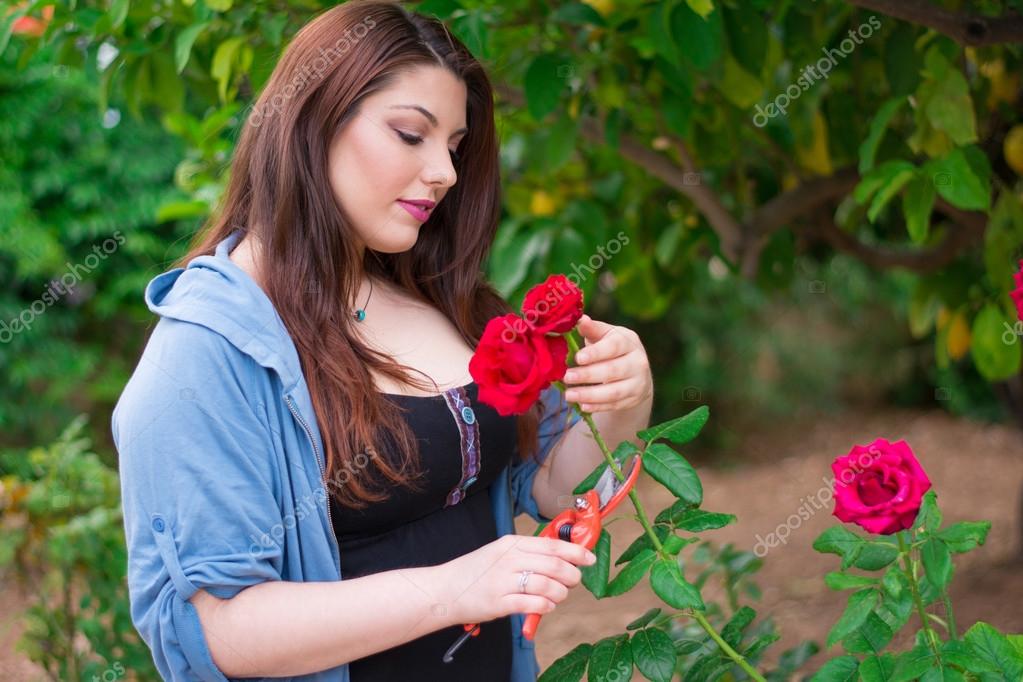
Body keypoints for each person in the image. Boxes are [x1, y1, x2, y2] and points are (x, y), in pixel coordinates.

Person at [112, 1, 653, 680]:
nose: (446, 173)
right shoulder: (205, 353)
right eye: (409, 135)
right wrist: (451, 589)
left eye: (453, 146)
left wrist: (622, 401)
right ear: (312, 123)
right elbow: (216, 627)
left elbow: (550, 490)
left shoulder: (441, 297)